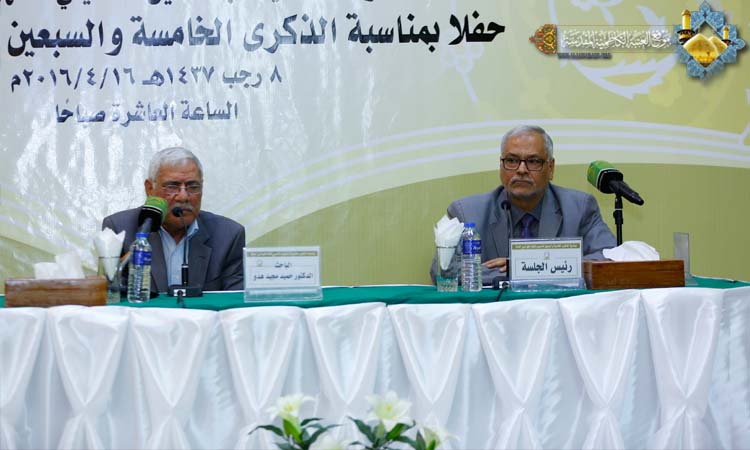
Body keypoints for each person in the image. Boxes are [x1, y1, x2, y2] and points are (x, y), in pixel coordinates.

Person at [430, 125, 616, 285]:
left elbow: (611, 259)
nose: (521, 170)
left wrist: (520, 266)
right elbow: (443, 271)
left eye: (533, 161)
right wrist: (513, 272)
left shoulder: (579, 208)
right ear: (501, 166)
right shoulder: (467, 213)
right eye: (511, 160)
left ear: (551, 168)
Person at [103, 147, 245, 292]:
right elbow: (114, 295)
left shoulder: (228, 236)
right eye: (172, 186)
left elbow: (235, 300)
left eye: (193, 187)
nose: (183, 197)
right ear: (150, 189)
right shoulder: (120, 229)